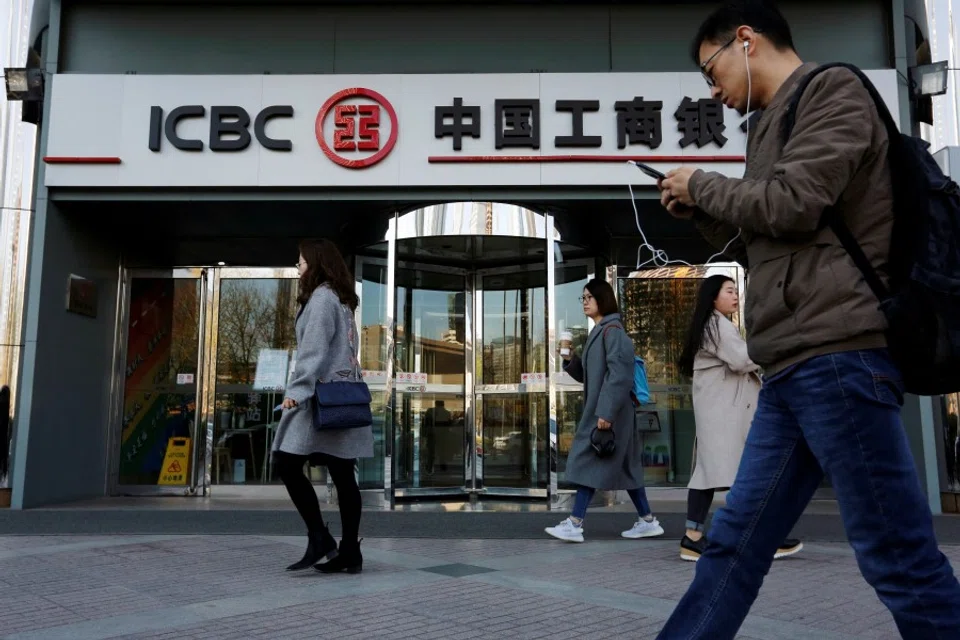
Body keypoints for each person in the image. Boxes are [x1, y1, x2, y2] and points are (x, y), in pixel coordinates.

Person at [655, 2, 960, 637]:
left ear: (745, 40)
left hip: (840, 356)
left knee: (896, 556)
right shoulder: (769, 124)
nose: (714, 91)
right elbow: (770, 234)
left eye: (711, 72)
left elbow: (793, 204)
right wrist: (699, 209)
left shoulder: (835, 90)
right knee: (732, 545)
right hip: (793, 365)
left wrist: (703, 185)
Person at [677, 275, 802, 562]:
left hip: (720, 410)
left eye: (736, 291)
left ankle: (693, 537)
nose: (735, 296)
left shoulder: (712, 324)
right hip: (724, 412)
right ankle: (766, 536)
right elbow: (742, 359)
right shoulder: (717, 325)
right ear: (713, 297)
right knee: (748, 474)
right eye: (730, 291)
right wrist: (775, 348)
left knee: (708, 474)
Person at [273, 238, 374, 574]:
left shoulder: (321, 299)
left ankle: (320, 537)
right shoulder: (343, 301)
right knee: (344, 475)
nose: (298, 269)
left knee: (286, 464)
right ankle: (349, 552)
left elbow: (313, 351)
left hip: (320, 399)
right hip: (342, 397)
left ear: (315, 264)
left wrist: (296, 391)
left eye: (301, 263)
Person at [545, 278, 664, 543]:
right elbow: (592, 376)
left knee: (587, 460)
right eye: (583, 298)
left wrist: (606, 414)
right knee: (628, 468)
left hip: (610, 413)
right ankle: (647, 520)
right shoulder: (600, 331)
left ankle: (575, 523)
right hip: (610, 412)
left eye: (589, 297)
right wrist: (570, 360)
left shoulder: (614, 332)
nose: (585, 302)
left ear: (603, 299)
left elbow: (619, 376)